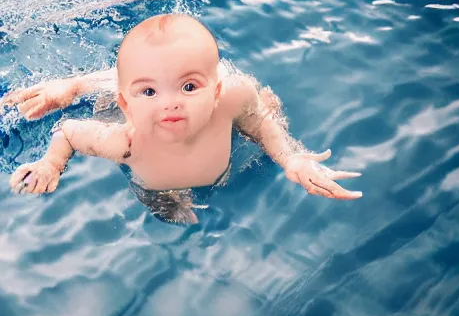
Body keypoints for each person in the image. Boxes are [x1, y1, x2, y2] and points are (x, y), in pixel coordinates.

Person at [2, 14, 363, 223]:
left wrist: (289, 156)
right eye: (149, 95)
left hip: (218, 96)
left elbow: (259, 120)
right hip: (126, 110)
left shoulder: (232, 97)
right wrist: (51, 165)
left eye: (188, 88)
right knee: (164, 206)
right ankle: (81, 84)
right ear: (126, 107)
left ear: (217, 92)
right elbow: (66, 131)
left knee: (261, 109)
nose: (171, 105)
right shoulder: (123, 142)